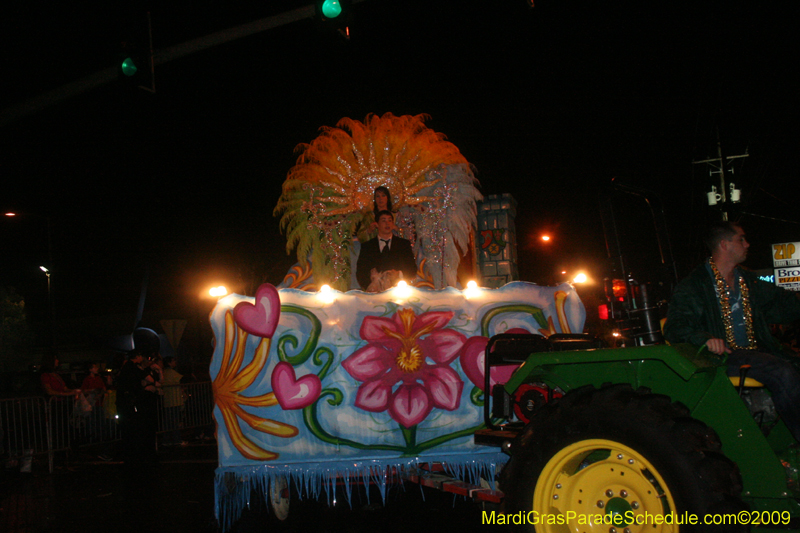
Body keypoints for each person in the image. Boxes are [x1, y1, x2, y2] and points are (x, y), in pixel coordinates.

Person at [664, 221, 800, 441]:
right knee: (781, 371)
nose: (747, 244)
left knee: (789, 363)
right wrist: (705, 338)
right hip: (723, 357)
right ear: (724, 244)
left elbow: (784, 304)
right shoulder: (695, 285)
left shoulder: (748, 280)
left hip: (756, 352)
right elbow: (675, 326)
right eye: (741, 239)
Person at [356, 210, 417, 292]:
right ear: (377, 224)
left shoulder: (403, 244)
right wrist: (373, 283)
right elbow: (361, 272)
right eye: (383, 220)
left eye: (389, 220)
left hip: (399, 291)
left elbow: (412, 269)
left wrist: (398, 274)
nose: (387, 223)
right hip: (375, 293)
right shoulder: (367, 246)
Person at [161, 356, 186, 446]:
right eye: (173, 361)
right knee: (174, 421)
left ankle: (166, 440)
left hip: (168, 400)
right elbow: (181, 379)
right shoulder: (171, 373)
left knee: (168, 422)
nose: (175, 362)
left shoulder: (164, 372)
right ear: (169, 363)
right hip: (174, 400)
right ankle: (176, 439)